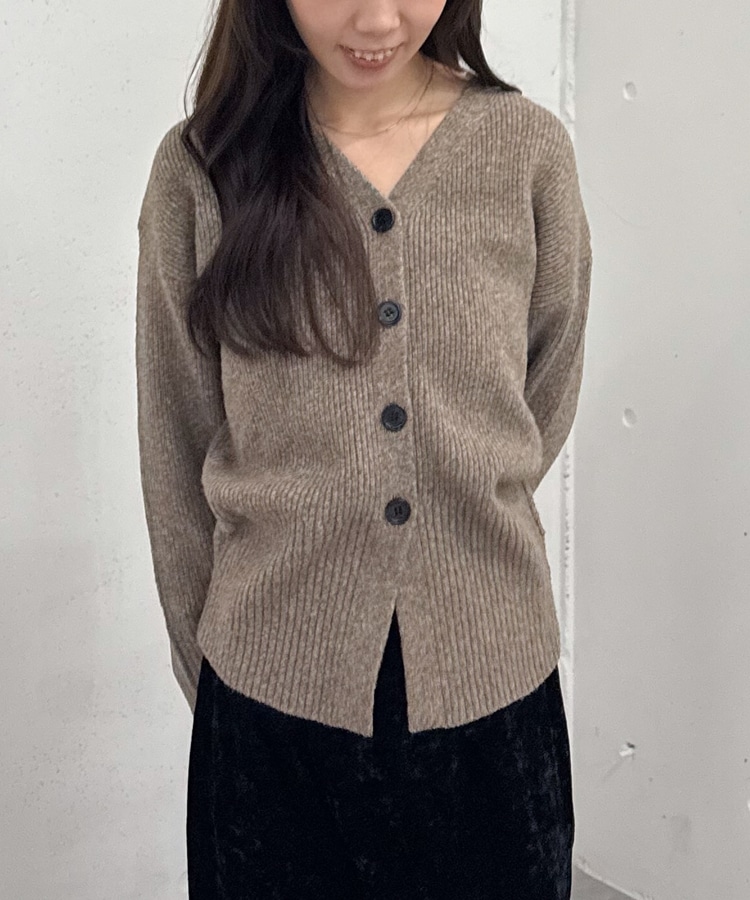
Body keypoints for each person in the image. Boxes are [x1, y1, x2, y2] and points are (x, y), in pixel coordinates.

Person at [135, 0, 593, 895]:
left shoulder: (526, 151)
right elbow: (175, 434)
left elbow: (544, 386)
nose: (378, 19)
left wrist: (461, 504)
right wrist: (218, 668)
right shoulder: (203, 169)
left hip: (493, 705)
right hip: (270, 715)